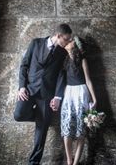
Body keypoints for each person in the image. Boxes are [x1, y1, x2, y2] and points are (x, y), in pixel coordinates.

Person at [16, 23, 73, 165]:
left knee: (41, 132)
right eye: (66, 39)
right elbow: (24, 65)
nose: (67, 42)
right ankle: (41, 118)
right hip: (29, 90)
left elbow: (61, 75)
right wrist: (21, 87)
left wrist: (58, 97)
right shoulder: (35, 43)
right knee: (18, 115)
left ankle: (34, 162)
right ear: (58, 36)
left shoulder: (62, 53)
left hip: (47, 95)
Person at [55, 35, 97, 165]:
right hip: (69, 93)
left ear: (76, 45)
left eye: (71, 40)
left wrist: (95, 100)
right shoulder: (65, 60)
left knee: (81, 131)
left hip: (81, 92)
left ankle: (76, 163)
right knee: (66, 128)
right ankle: (69, 160)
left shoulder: (82, 60)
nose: (68, 42)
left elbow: (88, 81)